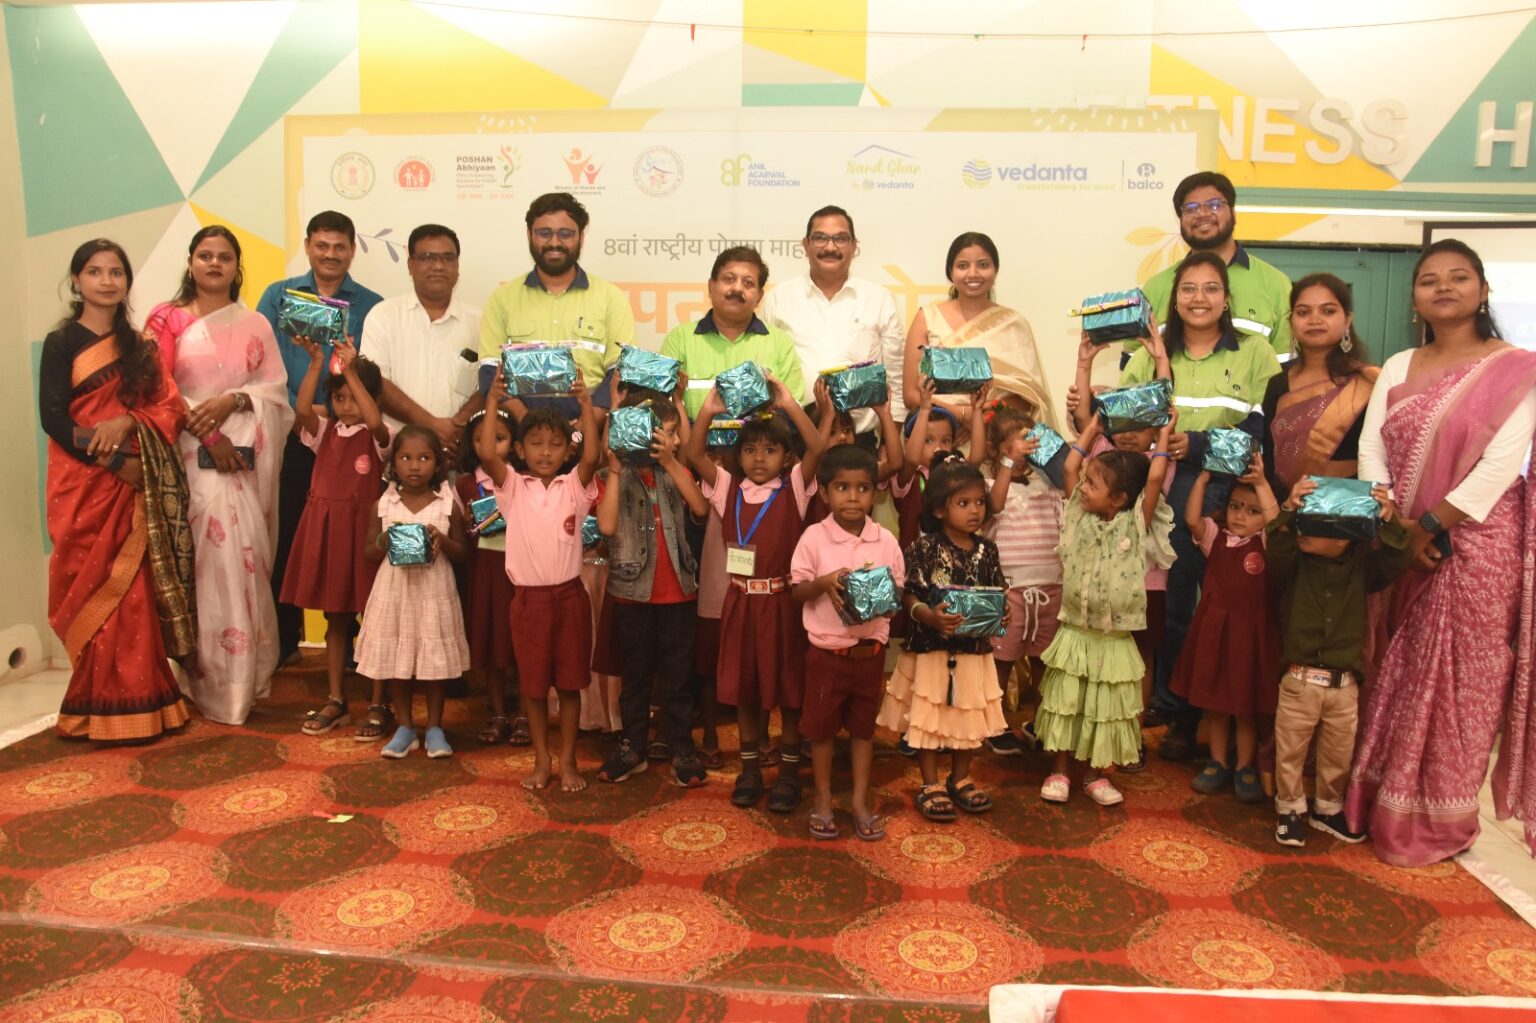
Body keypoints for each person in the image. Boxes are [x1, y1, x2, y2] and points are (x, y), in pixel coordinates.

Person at [1349, 239, 1536, 865]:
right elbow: (1373, 448)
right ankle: (1381, 802)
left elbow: (1501, 465)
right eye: (1430, 280)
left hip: (1477, 544)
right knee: (1394, 672)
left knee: (1462, 684)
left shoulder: (1515, 369)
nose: (1444, 287)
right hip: (1399, 537)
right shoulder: (1399, 365)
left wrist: (1429, 527)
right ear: (1415, 299)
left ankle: (1441, 819)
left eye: (1459, 277)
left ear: (1483, 291)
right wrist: (1397, 526)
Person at [1121, 251, 1282, 760]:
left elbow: (1258, 435)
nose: (1199, 298)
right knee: (1167, 601)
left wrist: (1196, 444)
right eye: (1188, 288)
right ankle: (1172, 707)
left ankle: (1197, 712)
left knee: (1210, 605)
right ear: (1175, 299)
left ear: (1227, 299)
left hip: (1222, 494)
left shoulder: (1255, 352)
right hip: (1154, 486)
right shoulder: (1150, 353)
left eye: (1211, 288)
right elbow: (1127, 424)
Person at [39, 239, 194, 742]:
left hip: (132, 480)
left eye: (116, 272)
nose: (106, 281)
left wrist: (129, 423)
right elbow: (53, 418)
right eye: (94, 271)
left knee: (132, 591)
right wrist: (111, 460)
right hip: (82, 482)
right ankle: (93, 704)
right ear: (76, 280)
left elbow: (169, 408)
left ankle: (143, 701)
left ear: (127, 282)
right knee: (90, 587)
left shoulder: (140, 347)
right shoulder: (61, 343)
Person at [147, 226, 295, 726]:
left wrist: (236, 400)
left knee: (242, 562)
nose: (214, 264)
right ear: (190, 262)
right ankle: (199, 678)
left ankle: (241, 681)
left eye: (224, 257)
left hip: (242, 460)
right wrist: (209, 433)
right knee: (205, 564)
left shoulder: (254, 323)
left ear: (237, 266)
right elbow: (155, 390)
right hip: (188, 457)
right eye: (205, 255)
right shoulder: (165, 319)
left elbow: (274, 392)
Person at [685, 377, 827, 812]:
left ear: (786, 458)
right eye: (749, 449)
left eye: (769, 450)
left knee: (789, 689)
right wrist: (708, 411)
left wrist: (788, 403)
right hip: (741, 602)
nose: (759, 458)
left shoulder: (794, 487)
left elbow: (817, 448)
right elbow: (693, 454)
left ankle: (788, 774)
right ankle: (749, 771)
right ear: (738, 455)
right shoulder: (728, 487)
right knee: (747, 688)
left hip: (783, 603)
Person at [257, 210, 383, 665]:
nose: (330, 254)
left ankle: (356, 642)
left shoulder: (371, 305)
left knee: (353, 537)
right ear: (308, 245)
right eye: (322, 245)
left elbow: (372, 370)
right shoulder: (279, 296)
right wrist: (299, 410)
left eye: (339, 246)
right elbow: (261, 358)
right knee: (289, 532)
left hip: (353, 436)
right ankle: (284, 640)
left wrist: (333, 412)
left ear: (352, 250)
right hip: (293, 431)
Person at [1035, 414, 1176, 805]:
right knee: (1067, 705)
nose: (1083, 487)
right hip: (1075, 633)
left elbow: (1153, 480)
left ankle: (1095, 775)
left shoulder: (1135, 526)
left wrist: (1164, 436)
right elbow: (1070, 467)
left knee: (1106, 708)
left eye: (1093, 485)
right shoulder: (1078, 516)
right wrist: (1093, 430)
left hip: (1113, 640)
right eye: (1086, 481)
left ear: (1119, 500)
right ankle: (1060, 771)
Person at [475, 370, 600, 791]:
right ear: (520, 450)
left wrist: (586, 404)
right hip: (528, 602)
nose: (545, 452)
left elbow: (593, 458)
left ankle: (568, 761)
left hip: (570, 599)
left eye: (555, 444)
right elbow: (489, 454)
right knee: (532, 687)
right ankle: (542, 760)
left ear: (567, 450)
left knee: (569, 685)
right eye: (536, 443)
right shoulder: (513, 487)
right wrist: (493, 401)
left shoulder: (573, 487)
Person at [1268, 478, 1410, 848]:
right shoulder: (1295, 565)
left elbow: (1397, 558)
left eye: (1316, 523)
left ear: (1344, 536)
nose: (1304, 530)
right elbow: (1277, 546)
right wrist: (1289, 508)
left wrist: (1389, 518)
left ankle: (1328, 807)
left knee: (1338, 753)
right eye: (1304, 520)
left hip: (1344, 684)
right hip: (1300, 680)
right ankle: (1290, 808)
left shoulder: (1362, 569)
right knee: (1290, 750)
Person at [878, 455, 1010, 822]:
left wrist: (1004, 612)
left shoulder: (988, 550)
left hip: (973, 650)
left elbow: (998, 591)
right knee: (929, 716)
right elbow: (909, 596)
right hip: (932, 649)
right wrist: (928, 615)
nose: (975, 510)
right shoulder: (924, 549)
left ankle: (961, 777)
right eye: (963, 503)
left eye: (979, 502)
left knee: (968, 715)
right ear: (938, 509)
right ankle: (931, 783)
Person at [594, 392, 712, 787]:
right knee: (636, 676)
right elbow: (606, 526)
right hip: (631, 593)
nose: (671, 440)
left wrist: (671, 463)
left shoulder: (674, 471)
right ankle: (633, 746)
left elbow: (701, 508)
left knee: (678, 678)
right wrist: (615, 469)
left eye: (672, 433)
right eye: (666, 432)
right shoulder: (615, 475)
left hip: (679, 591)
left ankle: (681, 747)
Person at [791, 443, 906, 841]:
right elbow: (798, 590)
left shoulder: (885, 540)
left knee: (863, 731)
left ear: (875, 492)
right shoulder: (813, 537)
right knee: (821, 733)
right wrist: (824, 583)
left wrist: (880, 595)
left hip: (870, 654)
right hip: (827, 653)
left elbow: (898, 590)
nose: (853, 497)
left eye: (862, 488)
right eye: (842, 488)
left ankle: (859, 801)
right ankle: (823, 800)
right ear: (824, 493)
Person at [280, 339, 389, 737]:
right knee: (336, 618)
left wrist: (352, 371)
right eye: (339, 398)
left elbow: (374, 421)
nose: (346, 406)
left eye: (354, 398)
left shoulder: (379, 436)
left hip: (365, 538)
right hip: (329, 535)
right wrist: (316, 364)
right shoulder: (324, 432)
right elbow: (302, 411)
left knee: (375, 619)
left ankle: (379, 702)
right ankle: (336, 699)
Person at [1171, 460, 1281, 802]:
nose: (1240, 516)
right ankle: (1217, 762)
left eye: (1252, 511)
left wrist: (1261, 484)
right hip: (1215, 633)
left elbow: (1277, 523)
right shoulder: (1216, 538)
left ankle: (1244, 765)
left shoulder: (1267, 542)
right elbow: (1192, 519)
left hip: (1249, 637)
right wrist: (1203, 478)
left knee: (1245, 708)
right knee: (1216, 705)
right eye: (1235, 506)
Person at [359, 426, 472, 759]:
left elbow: (463, 553)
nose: (414, 465)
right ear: (393, 462)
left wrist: (442, 540)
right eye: (406, 457)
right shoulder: (384, 504)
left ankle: (435, 727)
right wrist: (384, 540)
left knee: (434, 664)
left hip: (434, 592)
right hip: (395, 592)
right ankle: (406, 727)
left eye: (424, 458)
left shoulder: (447, 504)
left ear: (437, 463)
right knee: (399, 661)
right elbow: (368, 553)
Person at [478, 192, 633, 419]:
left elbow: (620, 375)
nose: (554, 243)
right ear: (529, 234)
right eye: (544, 233)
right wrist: (530, 426)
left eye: (565, 234)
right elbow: (489, 373)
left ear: (581, 237)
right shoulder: (502, 299)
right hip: (522, 431)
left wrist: (585, 426)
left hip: (590, 428)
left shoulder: (611, 298)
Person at [760, 205, 907, 425]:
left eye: (840, 239)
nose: (830, 247)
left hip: (859, 437)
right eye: (820, 238)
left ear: (854, 246)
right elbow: (765, 370)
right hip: (793, 433)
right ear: (806, 244)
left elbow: (895, 377)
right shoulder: (778, 299)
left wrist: (891, 437)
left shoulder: (879, 299)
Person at [899, 232, 1058, 431]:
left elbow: (1029, 395)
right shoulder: (927, 318)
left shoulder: (1012, 324)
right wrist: (958, 415)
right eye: (962, 266)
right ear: (950, 273)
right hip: (939, 436)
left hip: (997, 435)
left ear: (995, 271)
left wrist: (984, 416)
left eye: (983, 265)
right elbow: (911, 394)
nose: (973, 273)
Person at [1133, 171, 1293, 362]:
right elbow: (1134, 366)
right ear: (1180, 220)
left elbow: (1286, 368)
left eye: (1214, 205)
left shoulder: (1275, 284)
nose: (1202, 214)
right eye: (1191, 208)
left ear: (1233, 212)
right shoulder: (1155, 288)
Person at [980, 406, 1064, 753]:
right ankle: (995, 724)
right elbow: (995, 507)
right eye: (1012, 448)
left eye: (1028, 447)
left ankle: (1041, 722)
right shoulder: (991, 485)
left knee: (1045, 660)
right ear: (997, 450)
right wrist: (1007, 463)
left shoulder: (1047, 483)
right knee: (1002, 659)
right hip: (1011, 590)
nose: (1022, 456)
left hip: (1050, 585)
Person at [363, 224, 482, 455]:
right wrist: (432, 426)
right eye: (428, 257)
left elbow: (489, 384)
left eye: (448, 258)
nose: (438, 266)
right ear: (411, 264)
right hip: (395, 454)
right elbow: (376, 382)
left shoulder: (480, 321)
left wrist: (455, 431)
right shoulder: (383, 316)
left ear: (457, 266)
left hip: (459, 453)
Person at [1263, 273, 1378, 492]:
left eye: (1328, 311)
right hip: (1285, 503)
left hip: (1350, 503)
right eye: (1303, 312)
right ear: (1291, 322)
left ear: (1347, 320)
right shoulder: (1277, 383)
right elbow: (1268, 456)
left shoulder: (1368, 382)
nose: (1314, 320)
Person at [661, 246, 807, 419]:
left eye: (748, 283)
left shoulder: (780, 343)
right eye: (729, 279)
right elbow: (664, 409)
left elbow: (791, 413)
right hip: (694, 437)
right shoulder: (680, 339)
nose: (737, 288)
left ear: (759, 297)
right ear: (711, 286)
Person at [455, 408, 523, 746]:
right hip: (484, 573)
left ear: (514, 443)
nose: (490, 447)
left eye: (499, 438)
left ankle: (525, 713)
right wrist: (471, 525)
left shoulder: (524, 480)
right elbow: (459, 535)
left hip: (521, 574)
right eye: (481, 439)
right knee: (492, 643)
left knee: (522, 645)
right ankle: (497, 712)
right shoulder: (464, 485)